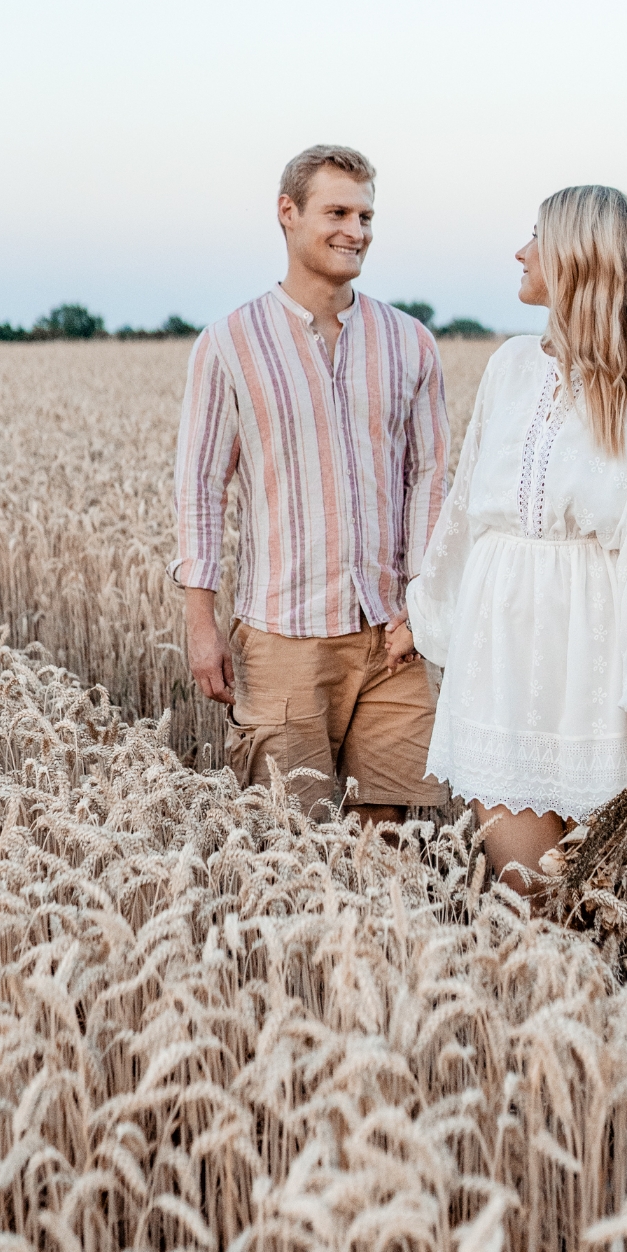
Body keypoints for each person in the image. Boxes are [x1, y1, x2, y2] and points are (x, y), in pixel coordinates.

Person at [392, 184, 627, 892]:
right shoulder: (510, 365)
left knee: (588, 905)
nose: (520, 252)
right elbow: (468, 511)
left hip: (590, 663)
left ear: (578, 259)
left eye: (536, 238)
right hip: (498, 654)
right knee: (523, 893)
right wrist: (425, 612)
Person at [171, 144, 450, 824]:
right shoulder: (229, 343)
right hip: (283, 634)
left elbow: (433, 481)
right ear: (287, 214)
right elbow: (201, 487)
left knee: (390, 842)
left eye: (365, 215)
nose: (356, 231)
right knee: (295, 838)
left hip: (393, 637)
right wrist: (201, 624)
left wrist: (424, 607)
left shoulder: (411, 341)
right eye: (337, 212)